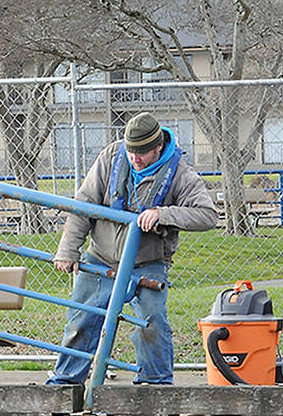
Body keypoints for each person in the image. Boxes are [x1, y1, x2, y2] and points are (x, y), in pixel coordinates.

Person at [47, 111, 217, 385]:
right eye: (131, 152)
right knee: (82, 320)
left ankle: (155, 386)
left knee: (151, 323)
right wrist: (68, 250)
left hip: (147, 263)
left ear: (159, 147)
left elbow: (208, 215)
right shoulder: (111, 157)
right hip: (101, 257)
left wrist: (164, 214)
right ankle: (66, 384)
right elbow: (83, 203)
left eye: (142, 153)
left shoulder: (180, 173)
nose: (135, 159)